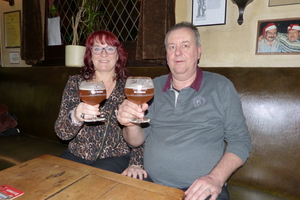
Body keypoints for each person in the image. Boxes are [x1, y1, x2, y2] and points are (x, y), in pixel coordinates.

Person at [116, 21, 252, 200]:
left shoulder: (221, 87)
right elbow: (136, 141)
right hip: (152, 183)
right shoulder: (152, 86)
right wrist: (130, 124)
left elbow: (241, 141)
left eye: (185, 45)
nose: (177, 52)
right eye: (172, 47)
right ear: (166, 55)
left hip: (202, 189)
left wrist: (215, 179)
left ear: (198, 51)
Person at [55, 30, 146, 179]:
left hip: (114, 158)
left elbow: (139, 127)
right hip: (76, 155)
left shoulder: (129, 87)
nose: (104, 54)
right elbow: (62, 133)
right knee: (54, 181)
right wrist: (76, 117)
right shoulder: (75, 83)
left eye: (110, 48)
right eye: (97, 48)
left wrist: (136, 162)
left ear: (118, 55)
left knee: (88, 182)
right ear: (90, 54)